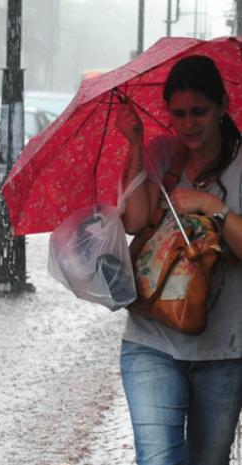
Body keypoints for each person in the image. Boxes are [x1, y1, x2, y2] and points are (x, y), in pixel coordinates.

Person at [115, 55, 242, 465]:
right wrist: (135, 146)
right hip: (151, 339)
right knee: (158, 460)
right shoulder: (161, 153)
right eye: (179, 113)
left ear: (223, 106)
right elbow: (134, 220)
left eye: (200, 112)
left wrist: (211, 206)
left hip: (223, 350)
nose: (188, 124)